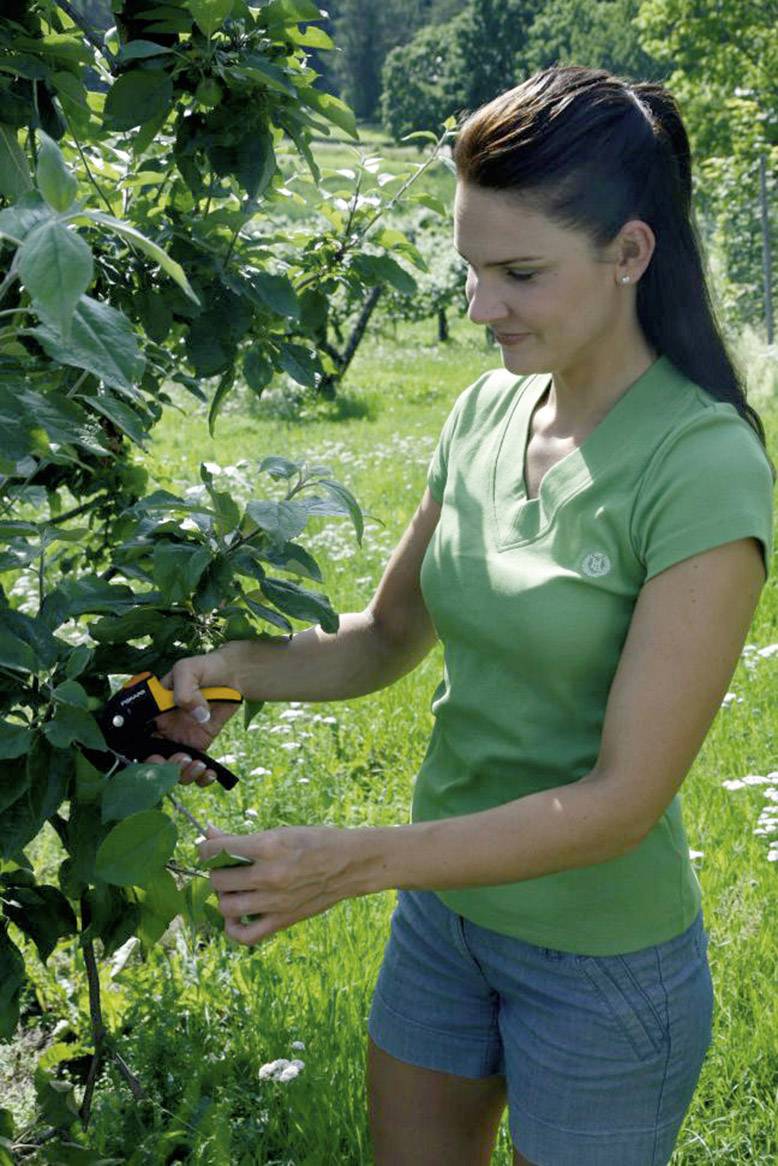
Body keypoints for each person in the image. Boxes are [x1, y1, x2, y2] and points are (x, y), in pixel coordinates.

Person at [147, 66, 774, 1166]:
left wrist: (358, 859)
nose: (480, 308)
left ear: (630, 254)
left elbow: (621, 800)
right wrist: (217, 673)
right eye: (471, 269)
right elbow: (385, 638)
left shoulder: (702, 465)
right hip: (446, 922)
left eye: (519, 273)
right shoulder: (486, 408)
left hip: (600, 960)